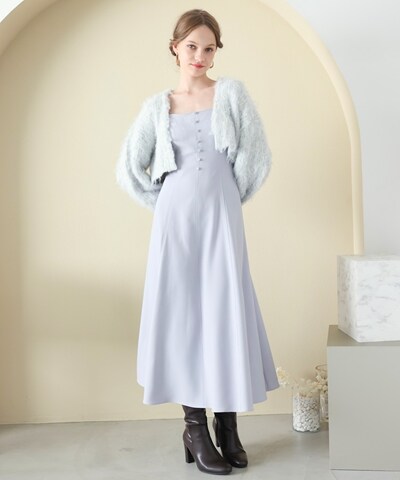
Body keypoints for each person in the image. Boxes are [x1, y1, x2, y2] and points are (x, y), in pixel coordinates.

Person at [116, 8, 280, 476]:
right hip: (176, 223)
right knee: (185, 316)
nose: (200, 56)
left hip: (222, 218)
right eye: (192, 46)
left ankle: (227, 425)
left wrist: (226, 197)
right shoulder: (158, 106)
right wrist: (166, 200)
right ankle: (195, 427)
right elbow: (129, 168)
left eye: (209, 48)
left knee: (224, 310)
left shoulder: (232, 94)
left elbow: (257, 157)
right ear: (175, 48)